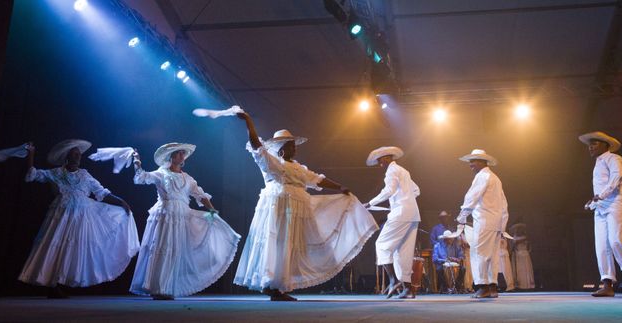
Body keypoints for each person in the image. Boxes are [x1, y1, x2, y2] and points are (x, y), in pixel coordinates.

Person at [234, 113, 377, 301]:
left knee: (289, 245)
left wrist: (340, 187)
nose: (295, 149)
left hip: (296, 208)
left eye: (294, 145)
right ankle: (273, 286)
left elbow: (317, 179)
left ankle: (277, 286)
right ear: (281, 149)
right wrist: (249, 122)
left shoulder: (300, 168)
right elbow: (256, 145)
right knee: (277, 243)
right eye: (291, 146)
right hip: (279, 207)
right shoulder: (273, 163)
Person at [19, 140, 139, 298]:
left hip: (82, 215)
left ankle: (60, 283)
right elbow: (32, 175)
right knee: (56, 247)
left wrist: (121, 201)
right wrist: (31, 155)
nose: (77, 157)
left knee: (72, 250)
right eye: (74, 154)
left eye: (79, 154)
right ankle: (52, 285)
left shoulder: (84, 174)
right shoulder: (56, 173)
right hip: (61, 215)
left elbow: (101, 192)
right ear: (67, 156)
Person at [129, 143, 240, 300]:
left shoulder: (187, 179)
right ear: (171, 156)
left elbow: (200, 195)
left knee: (176, 251)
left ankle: (167, 287)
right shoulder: (162, 173)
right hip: (166, 215)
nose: (182, 156)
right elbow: (143, 177)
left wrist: (212, 210)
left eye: (183, 154)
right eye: (179, 153)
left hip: (182, 216)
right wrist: (137, 163)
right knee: (164, 249)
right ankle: (158, 288)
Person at [579, 131, 622, 297]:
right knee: (601, 246)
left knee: (616, 241)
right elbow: (599, 189)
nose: (590, 147)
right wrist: (593, 202)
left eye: (594, 144)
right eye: (589, 145)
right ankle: (607, 284)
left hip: (617, 204)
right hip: (600, 207)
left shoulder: (614, 158)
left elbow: (617, 177)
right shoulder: (597, 163)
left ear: (606, 145)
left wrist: (601, 195)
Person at [364, 146, 421, 299]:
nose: (379, 164)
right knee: (403, 252)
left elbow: (389, 190)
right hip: (413, 214)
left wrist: (370, 203)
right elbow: (416, 190)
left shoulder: (391, 171)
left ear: (387, 158)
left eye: (380, 160)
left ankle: (393, 280)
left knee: (381, 245)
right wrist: (403, 199)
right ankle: (407, 289)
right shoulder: (404, 171)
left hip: (401, 213)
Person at [457, 149, 509, 298]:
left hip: (484, 221)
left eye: (473, 161)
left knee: (478, 252)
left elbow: (471, 197)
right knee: (492, 255)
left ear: (482, 161)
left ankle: (482, 286)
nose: (470, 165)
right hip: (495, 222)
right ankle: (492, 287)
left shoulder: (482, 176)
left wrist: (462, 215)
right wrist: (502, 225)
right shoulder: (495, 178)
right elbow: (504, 204)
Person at [510, 223, 535, 290]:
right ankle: (520, 284)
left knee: (526, 268)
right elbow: (512, 247)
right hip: (519, 255)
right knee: (520, 269)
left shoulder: (525, 237)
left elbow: (530, 247)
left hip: (524, 254)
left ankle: (527, 284)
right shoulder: (515, 238)